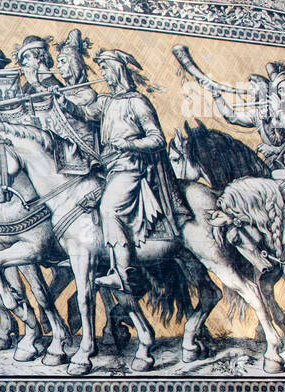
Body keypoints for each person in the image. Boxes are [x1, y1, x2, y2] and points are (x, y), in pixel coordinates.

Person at [88, 49, 185, 292]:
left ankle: (123, 273)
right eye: (101, 70)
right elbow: (85, 112)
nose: (103, 75)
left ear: (118, 71)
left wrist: (129, 143)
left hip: (130, 168)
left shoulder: (137, 102)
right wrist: (60, 98)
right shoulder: (108, 102)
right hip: (109, 169)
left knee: (108, 209)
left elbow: (157, 138)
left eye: (106, 69)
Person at [17, 34, 99, 174]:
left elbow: (61, 114)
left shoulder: (54, 85)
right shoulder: (29, 86)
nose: (24, 62)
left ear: (40, 57)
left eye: (27, 57)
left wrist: (35, 83)